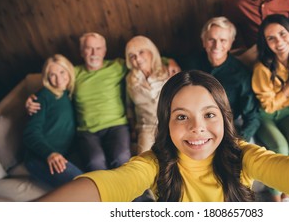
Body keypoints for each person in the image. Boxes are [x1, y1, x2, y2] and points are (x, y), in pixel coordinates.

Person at [36, 70, 289, 202]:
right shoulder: (152, 163)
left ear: (224, 119)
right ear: (166, 125)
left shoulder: (243, 154)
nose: (197, 128)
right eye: (181, 116)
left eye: (209, 115)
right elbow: (107, 185)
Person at [26, 32, 180, 172]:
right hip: (87, 131)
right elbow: (55, 80)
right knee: (95, 163)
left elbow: (144, 60)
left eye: (98, 48)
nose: (94, 53)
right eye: (89, 49)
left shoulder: (117, 66)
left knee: (121, 158)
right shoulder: (74, 72)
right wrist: (35, 97)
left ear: (104, 51)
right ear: (81, 52)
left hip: (117, 126)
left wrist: (170, 61)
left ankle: (134, 199)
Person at [252, 14, 289, 201]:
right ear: (266, 43)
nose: (279, 42)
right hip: (266, 115)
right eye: (271, 38)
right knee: (280, 147)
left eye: (282, 34)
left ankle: (288, 193)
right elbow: (267, 106)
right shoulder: (262, 68)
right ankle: (276, 198)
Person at [176, 17, 260, 142]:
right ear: (203, 41)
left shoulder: (241, 75)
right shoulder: (190, 62)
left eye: (223, 40)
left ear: (231, 43)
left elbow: (252, 116)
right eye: (211, 40)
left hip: (228, 124)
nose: (217, 46)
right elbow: (162, 59)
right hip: (194, 123)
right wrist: (169, 61)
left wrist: (240, 140)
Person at [23, 54, 83, 188]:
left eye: (62, 72)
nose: (59, 79)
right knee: (83, 185)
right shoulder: (42, 97)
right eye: (52, 75)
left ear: (69, 71)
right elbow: (30, 134)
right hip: (40, 157)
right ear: (47, 78)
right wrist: (50, 153)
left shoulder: (70, 94)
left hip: (65, 153)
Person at [125, 35, 169, 154]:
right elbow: (129, 106)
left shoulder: (168, 71)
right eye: (132, 56)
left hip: (169, 123)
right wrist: (132, 128)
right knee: (143, 159)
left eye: (141, 52)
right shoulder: (130, 80)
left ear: (151, 52)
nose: (137, 59)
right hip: (146, 127)